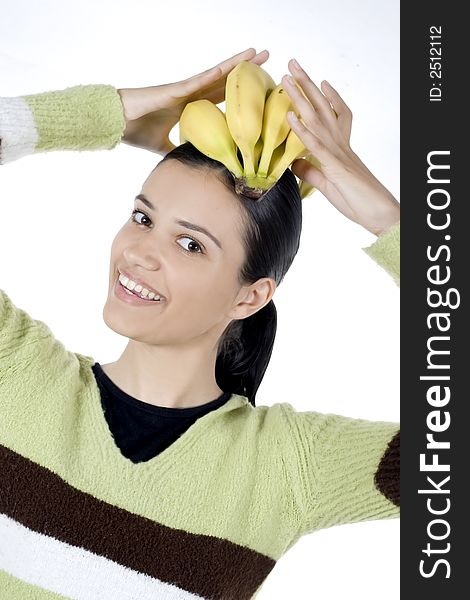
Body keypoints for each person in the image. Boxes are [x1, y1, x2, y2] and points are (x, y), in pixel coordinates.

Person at [0, 48, 400, 599]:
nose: (140, 252)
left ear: (251, 296)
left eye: (190, 244)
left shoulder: (287, 470)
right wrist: (115, 117)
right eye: (143, 217)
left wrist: (390, 220)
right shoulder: (16, 376)